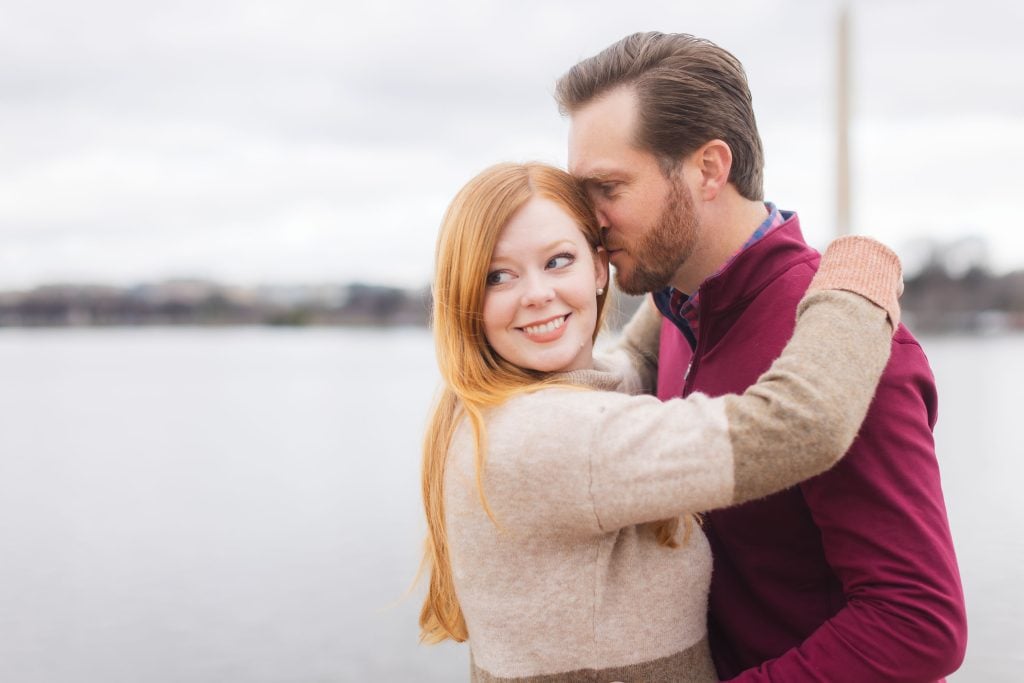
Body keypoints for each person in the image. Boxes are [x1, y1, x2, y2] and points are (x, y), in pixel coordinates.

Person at [555, 32, 967, 681]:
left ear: (709, 169)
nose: (589, 221)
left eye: (608, 187)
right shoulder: (676, 318)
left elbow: (918, 621)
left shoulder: (840, 341)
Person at [419, 161, 904, 682]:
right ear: (464, 298)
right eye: (499, 276)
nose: (536, 293)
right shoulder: (548, 437)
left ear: (599, 268)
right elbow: (800, 426)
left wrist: (689, 249)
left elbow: (634, 361)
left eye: (558, 261)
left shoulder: (512, 402)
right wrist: (858, 277)